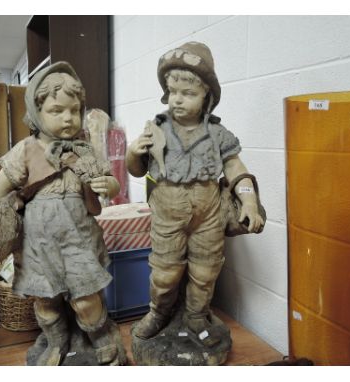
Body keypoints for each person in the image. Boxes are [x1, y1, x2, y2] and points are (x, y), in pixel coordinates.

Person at [0, 62, 124, 365]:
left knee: (85, 300)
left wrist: (111, 183)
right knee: (46, 302)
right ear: (37, 112)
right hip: (38, 246)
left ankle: (99, 336)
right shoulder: (26, 150)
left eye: (75, 110)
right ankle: (56, 342)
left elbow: (111, 183)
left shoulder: (85, 150)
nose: (68, 117)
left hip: (78, 241)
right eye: (57, 110)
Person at [126, 42, 264, 346]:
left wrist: (250, 202)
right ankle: (158, 313)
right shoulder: (157, 129)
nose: (178, 99)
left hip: (208, 216)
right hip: (167, 214)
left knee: (205, 273)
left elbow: (235, 167)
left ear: (207, 97)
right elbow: (137, 170)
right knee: (164, 274)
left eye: (188, 93)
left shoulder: (217, 134)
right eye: (172, 91)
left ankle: (196, 316)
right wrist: (133, 152)